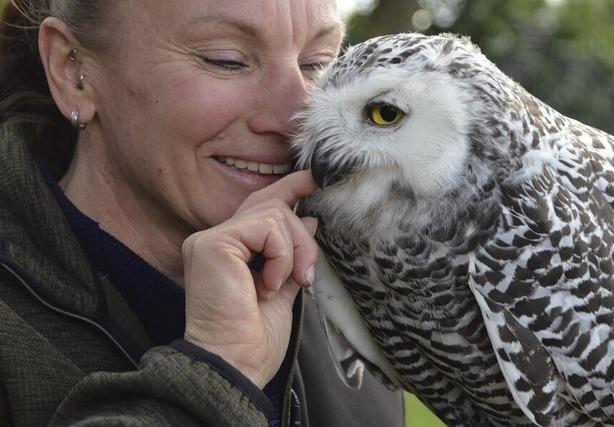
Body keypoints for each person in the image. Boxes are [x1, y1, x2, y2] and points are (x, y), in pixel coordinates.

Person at [0, 0, 405, 426]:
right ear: (71, 70)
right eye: (226, 61)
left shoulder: (364, 299)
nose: (295, 117)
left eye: (317, 64)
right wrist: (220, 373)